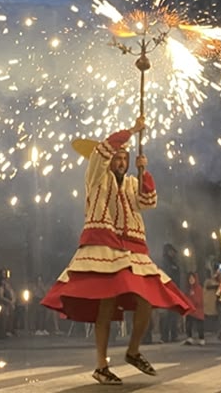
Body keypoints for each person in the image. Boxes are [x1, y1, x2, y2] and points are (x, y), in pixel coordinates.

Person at [41, 117, 193, 386]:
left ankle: (133, 351)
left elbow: (148, 202)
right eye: (117, 157)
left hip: (133, 249)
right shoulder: (96, 176)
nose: (121, 162)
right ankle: (101, 366)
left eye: (125, 158)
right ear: (109, 159)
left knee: (146, 300)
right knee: (106, 306)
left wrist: (144, 173)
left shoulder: (133, 183)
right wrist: (131, 131)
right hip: (103, 243)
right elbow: (102, 150)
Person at [183, 272, 205, 346]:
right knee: (188, 324)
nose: (191, 280)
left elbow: (199, 299)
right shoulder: (188, 289)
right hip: (190, 309)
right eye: (190, 279)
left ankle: (201, 338)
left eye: (192, 278)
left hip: (198, 309)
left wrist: (194, 299)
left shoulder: (198, 288)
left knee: (200, 325)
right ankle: (189, 338)